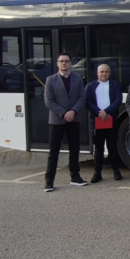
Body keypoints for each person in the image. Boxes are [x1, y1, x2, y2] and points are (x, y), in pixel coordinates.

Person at [43, 53, 87, 192]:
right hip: (57, 121)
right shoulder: (50, 80)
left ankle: (75, 177)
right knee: (53, 152)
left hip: (73, 119)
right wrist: (64, 113)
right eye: (61, 61)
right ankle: (49, 182)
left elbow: (82, 97)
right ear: (57, 63)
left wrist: (73, 111)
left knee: (74, 150)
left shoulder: (77, 79)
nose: (64, 64)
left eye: (67, 61)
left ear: (71, 63)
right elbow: (48, 101)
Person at [85, 63, 124, 182]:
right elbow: (87, 101)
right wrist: (99, 112)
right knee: (98, 148)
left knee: (112, 146)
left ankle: (116, 171)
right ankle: (97, 173)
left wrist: (107, 111)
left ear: (109, 73)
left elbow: (118, 99)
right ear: (97, 73)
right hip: (97, 120)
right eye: (101, 72)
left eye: (106, 72)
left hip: (111, 119)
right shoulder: (90, 86)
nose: (104, 74)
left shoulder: (115, 85)